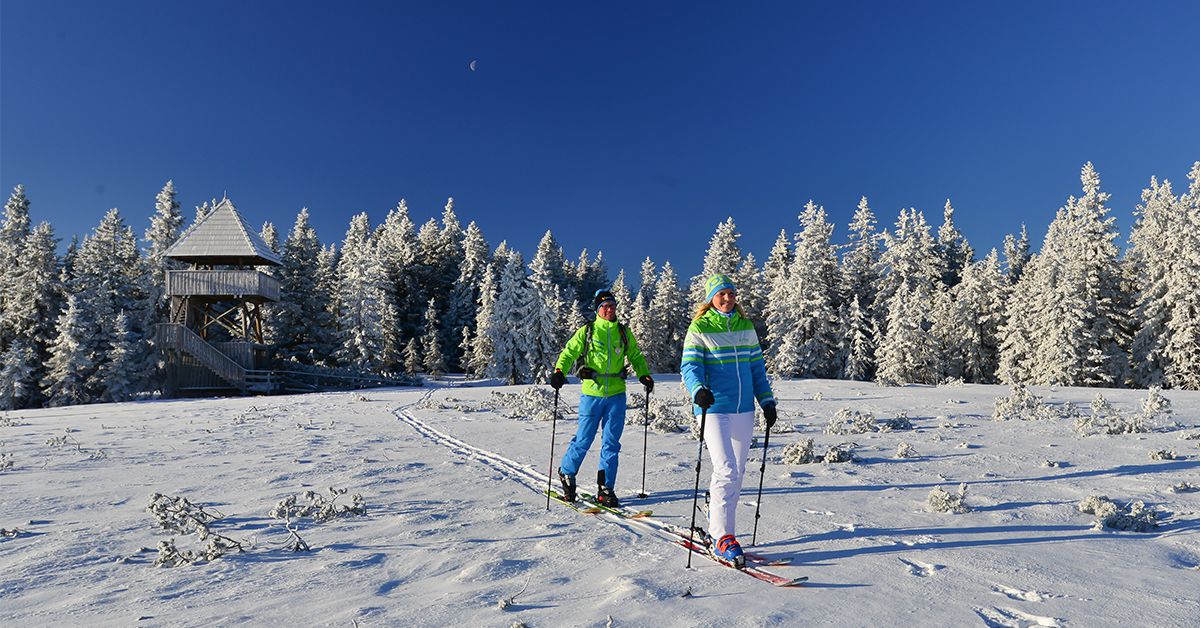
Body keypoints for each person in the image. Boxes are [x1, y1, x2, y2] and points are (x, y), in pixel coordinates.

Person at [680, 274, 777, 569]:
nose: (727, 298)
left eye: (731, 293)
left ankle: (717, 514)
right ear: (711, 297)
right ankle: (722, 537)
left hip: (743, 409)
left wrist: (767, 400)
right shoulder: (700, 327)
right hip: (714, 408)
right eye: (721, 293)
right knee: (725, 469)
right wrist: (698, 391)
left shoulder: (746, 327)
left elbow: (757, 369)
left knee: (738, 472)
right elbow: (690, 366)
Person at [549, 289, 653, 508]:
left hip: (616, 394)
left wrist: (644, 374)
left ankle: (606, 488)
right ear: (598, 309)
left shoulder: (623, 332)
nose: (609, 309)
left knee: (611, 442)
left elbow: (635, 355)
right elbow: (569, 353)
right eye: (604, 306)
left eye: (612, 306)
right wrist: (560, 371)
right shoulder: (588, 331)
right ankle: (567, 473)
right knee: (584, 438)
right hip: (592, 394)